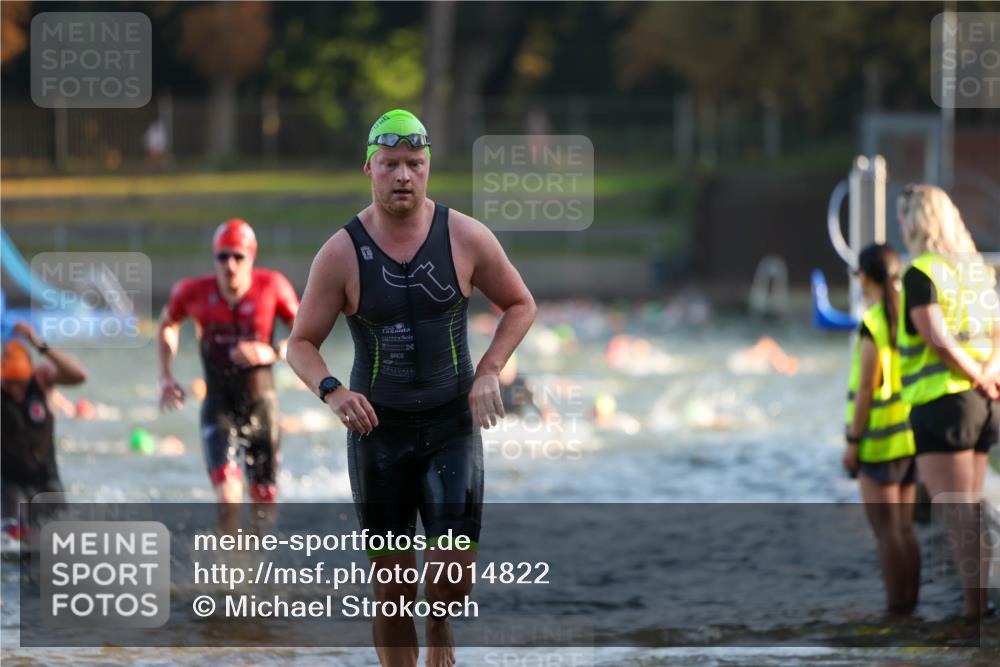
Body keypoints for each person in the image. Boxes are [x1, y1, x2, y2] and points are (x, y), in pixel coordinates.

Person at [287, 109, 536, 667]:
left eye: (415, 164)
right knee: (393, 589)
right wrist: (332, 391)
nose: (403, 175)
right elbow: (300, 343)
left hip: (452, 425)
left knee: (453, 576)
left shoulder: (466, 237)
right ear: (369, 168)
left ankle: (440, 622)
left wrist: (490, 370)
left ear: (428, 169)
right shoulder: (341, 253)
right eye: (391, 163)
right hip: (378, 433)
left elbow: (521, 304)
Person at [896, 184, 999, 620]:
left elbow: (936, 340)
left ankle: (974, 612)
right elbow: (996, 335)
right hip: (986, 404)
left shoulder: (922, 272)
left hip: (944, 405)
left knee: (960, 517)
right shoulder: (976, 270)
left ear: (916, 221)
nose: (900, 225)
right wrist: (990, 376)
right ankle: (980, 605)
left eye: (903, 217)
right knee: (973, 509)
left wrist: (974, 376)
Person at [158, 219, 299, 533]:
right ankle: (229, 572)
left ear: (251, 257)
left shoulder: (272, 286)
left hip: (263, 405)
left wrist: (273, 352)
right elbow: (167, 323)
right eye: (222, 257)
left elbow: (306, 335)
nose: (230, 265)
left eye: (238, 257)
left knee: (263, 501)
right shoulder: (193, 292)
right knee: (228, 495)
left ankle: (259, 572)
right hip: (219, 405)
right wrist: (166, 376)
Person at [842, 243, 919, 615]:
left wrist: (853, 442)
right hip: (909, 436)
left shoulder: (872, 323)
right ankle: (911, 607)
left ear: (863, 278)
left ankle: (895, 611)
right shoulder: (909, 315)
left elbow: (866, 391)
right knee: (904, 530)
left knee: (885, 533)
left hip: (878, 442)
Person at [1, 321, 87, 541]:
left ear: (29, 373)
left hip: (45, 478)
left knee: (59, 539)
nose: (15, 389)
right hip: (10, 483)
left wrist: (40, 345)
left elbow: (78, 375)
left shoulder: (42, 380)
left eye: (20, 382)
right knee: (14, 536)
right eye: (9, 383)